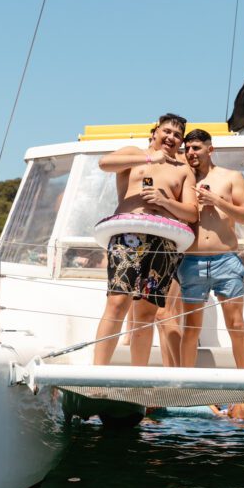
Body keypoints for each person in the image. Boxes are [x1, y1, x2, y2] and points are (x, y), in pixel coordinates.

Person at [93, 113, 198, 366]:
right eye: (167, 132)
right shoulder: (134, 153)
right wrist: (150, 157)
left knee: (147, 312)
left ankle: (138, 376)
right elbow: (104, 163)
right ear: (155, 132)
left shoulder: (183, 171)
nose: (171, 137)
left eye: (177, 135)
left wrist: (164, 202)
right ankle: (97, 373)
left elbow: (192, 212)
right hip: (128, 235)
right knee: (118, 302)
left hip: (164, 243)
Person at [178, 129, 244, 369]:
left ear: (210, 149)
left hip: (225, 259)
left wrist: (217, 201)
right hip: (192, 261)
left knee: (236, 325)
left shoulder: (231, 177)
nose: (191, 153)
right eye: (187, 148)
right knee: (190, 329)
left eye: (196, 148)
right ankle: (185, 387)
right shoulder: (183, 179)